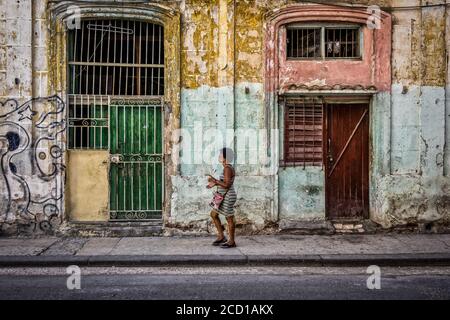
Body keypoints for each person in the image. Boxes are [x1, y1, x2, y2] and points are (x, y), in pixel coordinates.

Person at [207, 148, 237, 248]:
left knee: (229, 218)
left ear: (226, 158)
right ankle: (221, 236)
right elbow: (223, 183)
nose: (219, 157)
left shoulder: (227, 168)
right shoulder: (226, 168)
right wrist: (214, 183)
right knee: (213, 214)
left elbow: (227, 185)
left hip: (227, 196)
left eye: (220, 155)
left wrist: (215, 181)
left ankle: (232, 241)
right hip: (221, 196)